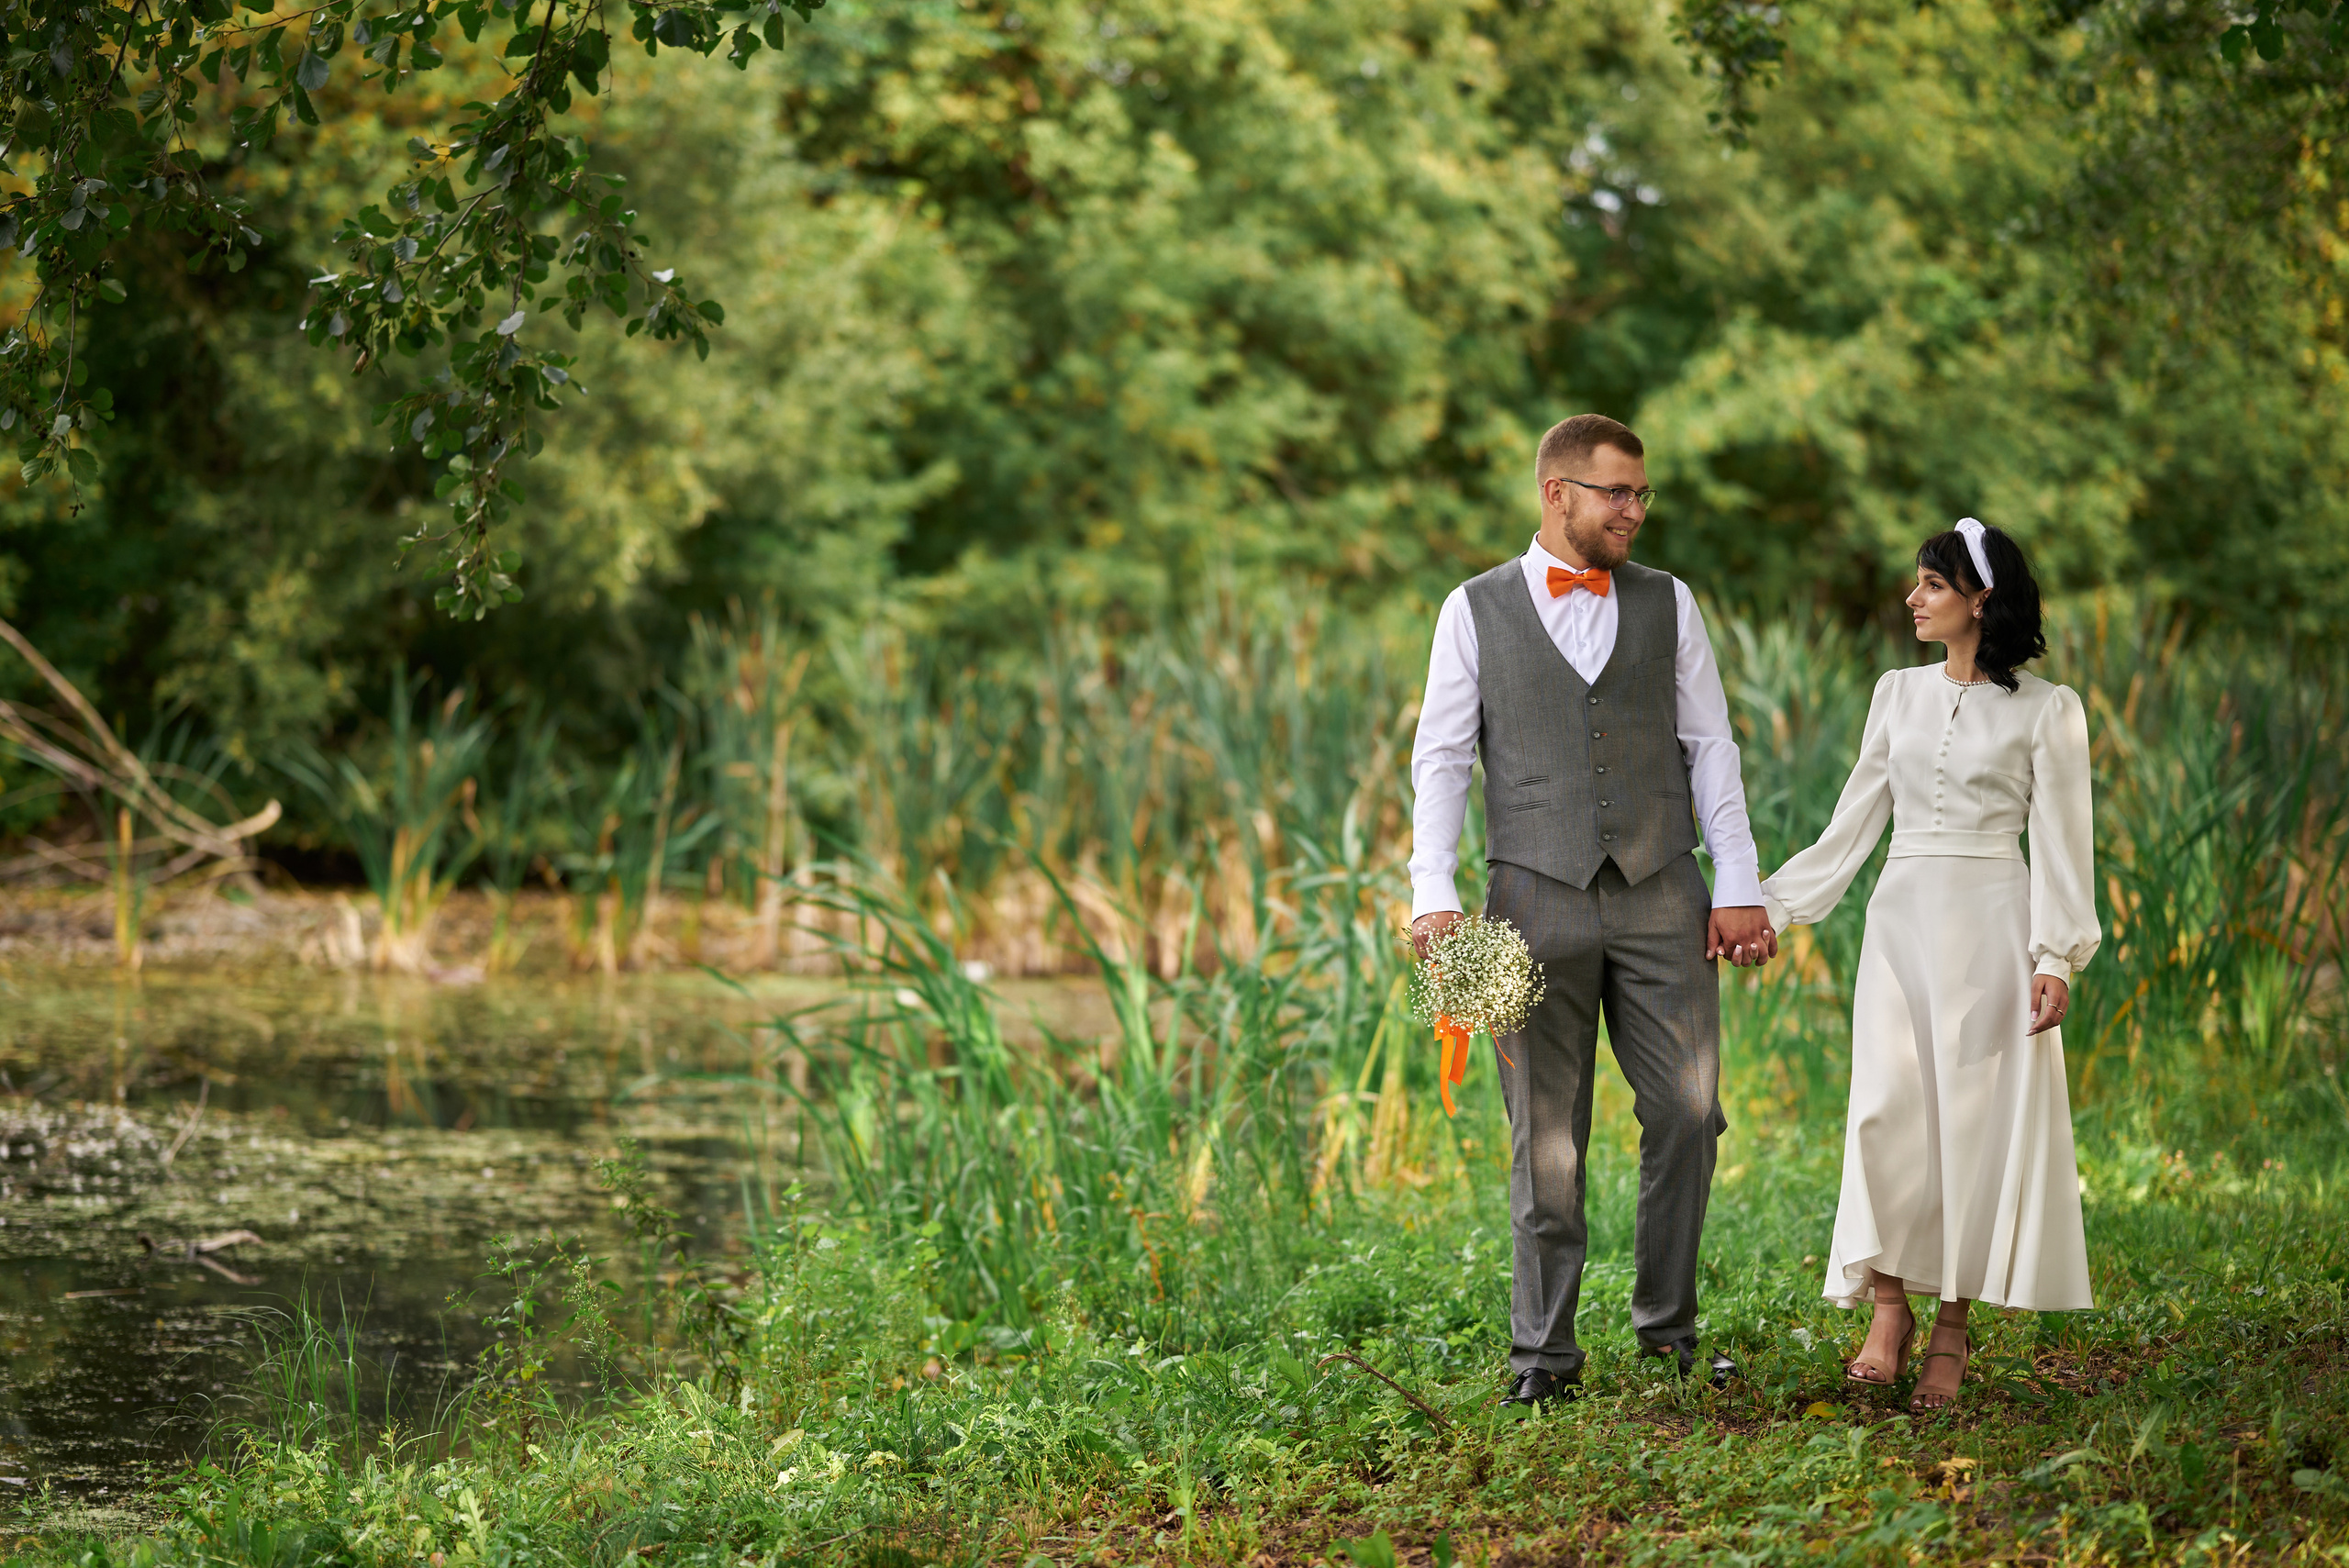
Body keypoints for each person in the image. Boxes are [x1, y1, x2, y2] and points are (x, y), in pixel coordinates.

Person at [1408, 414, 1776, 1407]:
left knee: (1689, 1113)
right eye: (1614, 492)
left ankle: (1668, 1334)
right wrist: (1430, 890)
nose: (1634, 510)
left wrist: (1737, 879)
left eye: (1641, 493)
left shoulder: (1669, 600)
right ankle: (1544, 1357)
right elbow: (1441, 756)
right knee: (1546, 1136)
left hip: (1664, 888)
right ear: (1555, 492)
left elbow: (1711, 745)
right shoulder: (1471, 606)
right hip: (1528, 896)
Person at [1759, 518, 2099, 1413]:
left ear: (1980, 597)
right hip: (1900, 919)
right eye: (1916, 584)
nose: (1913, 598)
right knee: (1883, 1112)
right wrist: (1770, 904)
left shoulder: (2047, 709)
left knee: (1966, 1129)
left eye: (1931, 585)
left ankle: (1948, 1324)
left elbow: (2065, 845)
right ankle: (1885, 1307)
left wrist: (2056, 952)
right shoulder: (1894, 693)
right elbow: (1853, 821)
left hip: (1992, 922)